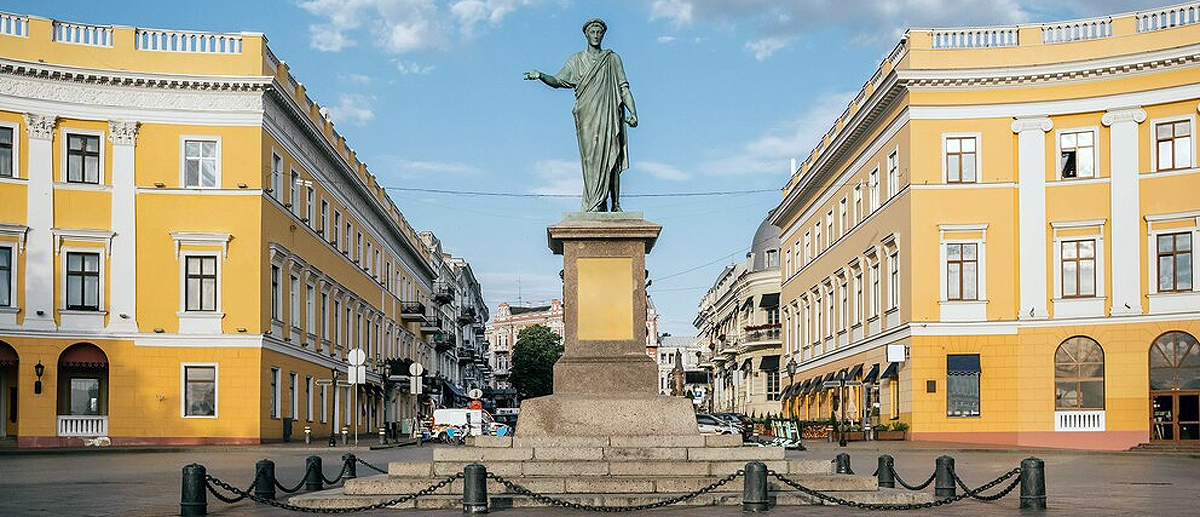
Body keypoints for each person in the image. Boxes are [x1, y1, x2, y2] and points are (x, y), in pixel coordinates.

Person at [525, 18, 638, 212]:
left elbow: (623, 88)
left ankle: (615, 204)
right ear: (586, 35)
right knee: (590, 160)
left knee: (611, 155)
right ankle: (595, 202)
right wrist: (541, 76)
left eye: (599, 32)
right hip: (586, 117)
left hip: (608, 114)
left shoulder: (612, 59)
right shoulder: (576, 60)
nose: (596, 35)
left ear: (603, 34)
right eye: (592, 32)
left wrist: (633, 112)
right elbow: (558, 80)